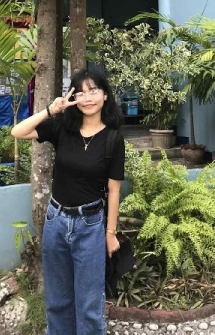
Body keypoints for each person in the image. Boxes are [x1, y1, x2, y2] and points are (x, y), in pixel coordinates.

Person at [11, 69, 125, 335]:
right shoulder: (63, 128)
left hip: (90, 225)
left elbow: (114, 190)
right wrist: (51, 110)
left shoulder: (113, 139)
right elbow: (18, 131)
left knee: (89, 305)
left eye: (93, 91)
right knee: (58, 301)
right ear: (73, 98)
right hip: (56, 221)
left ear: (105, 95)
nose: (88, 98)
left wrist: (110, 233)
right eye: (81, 93)